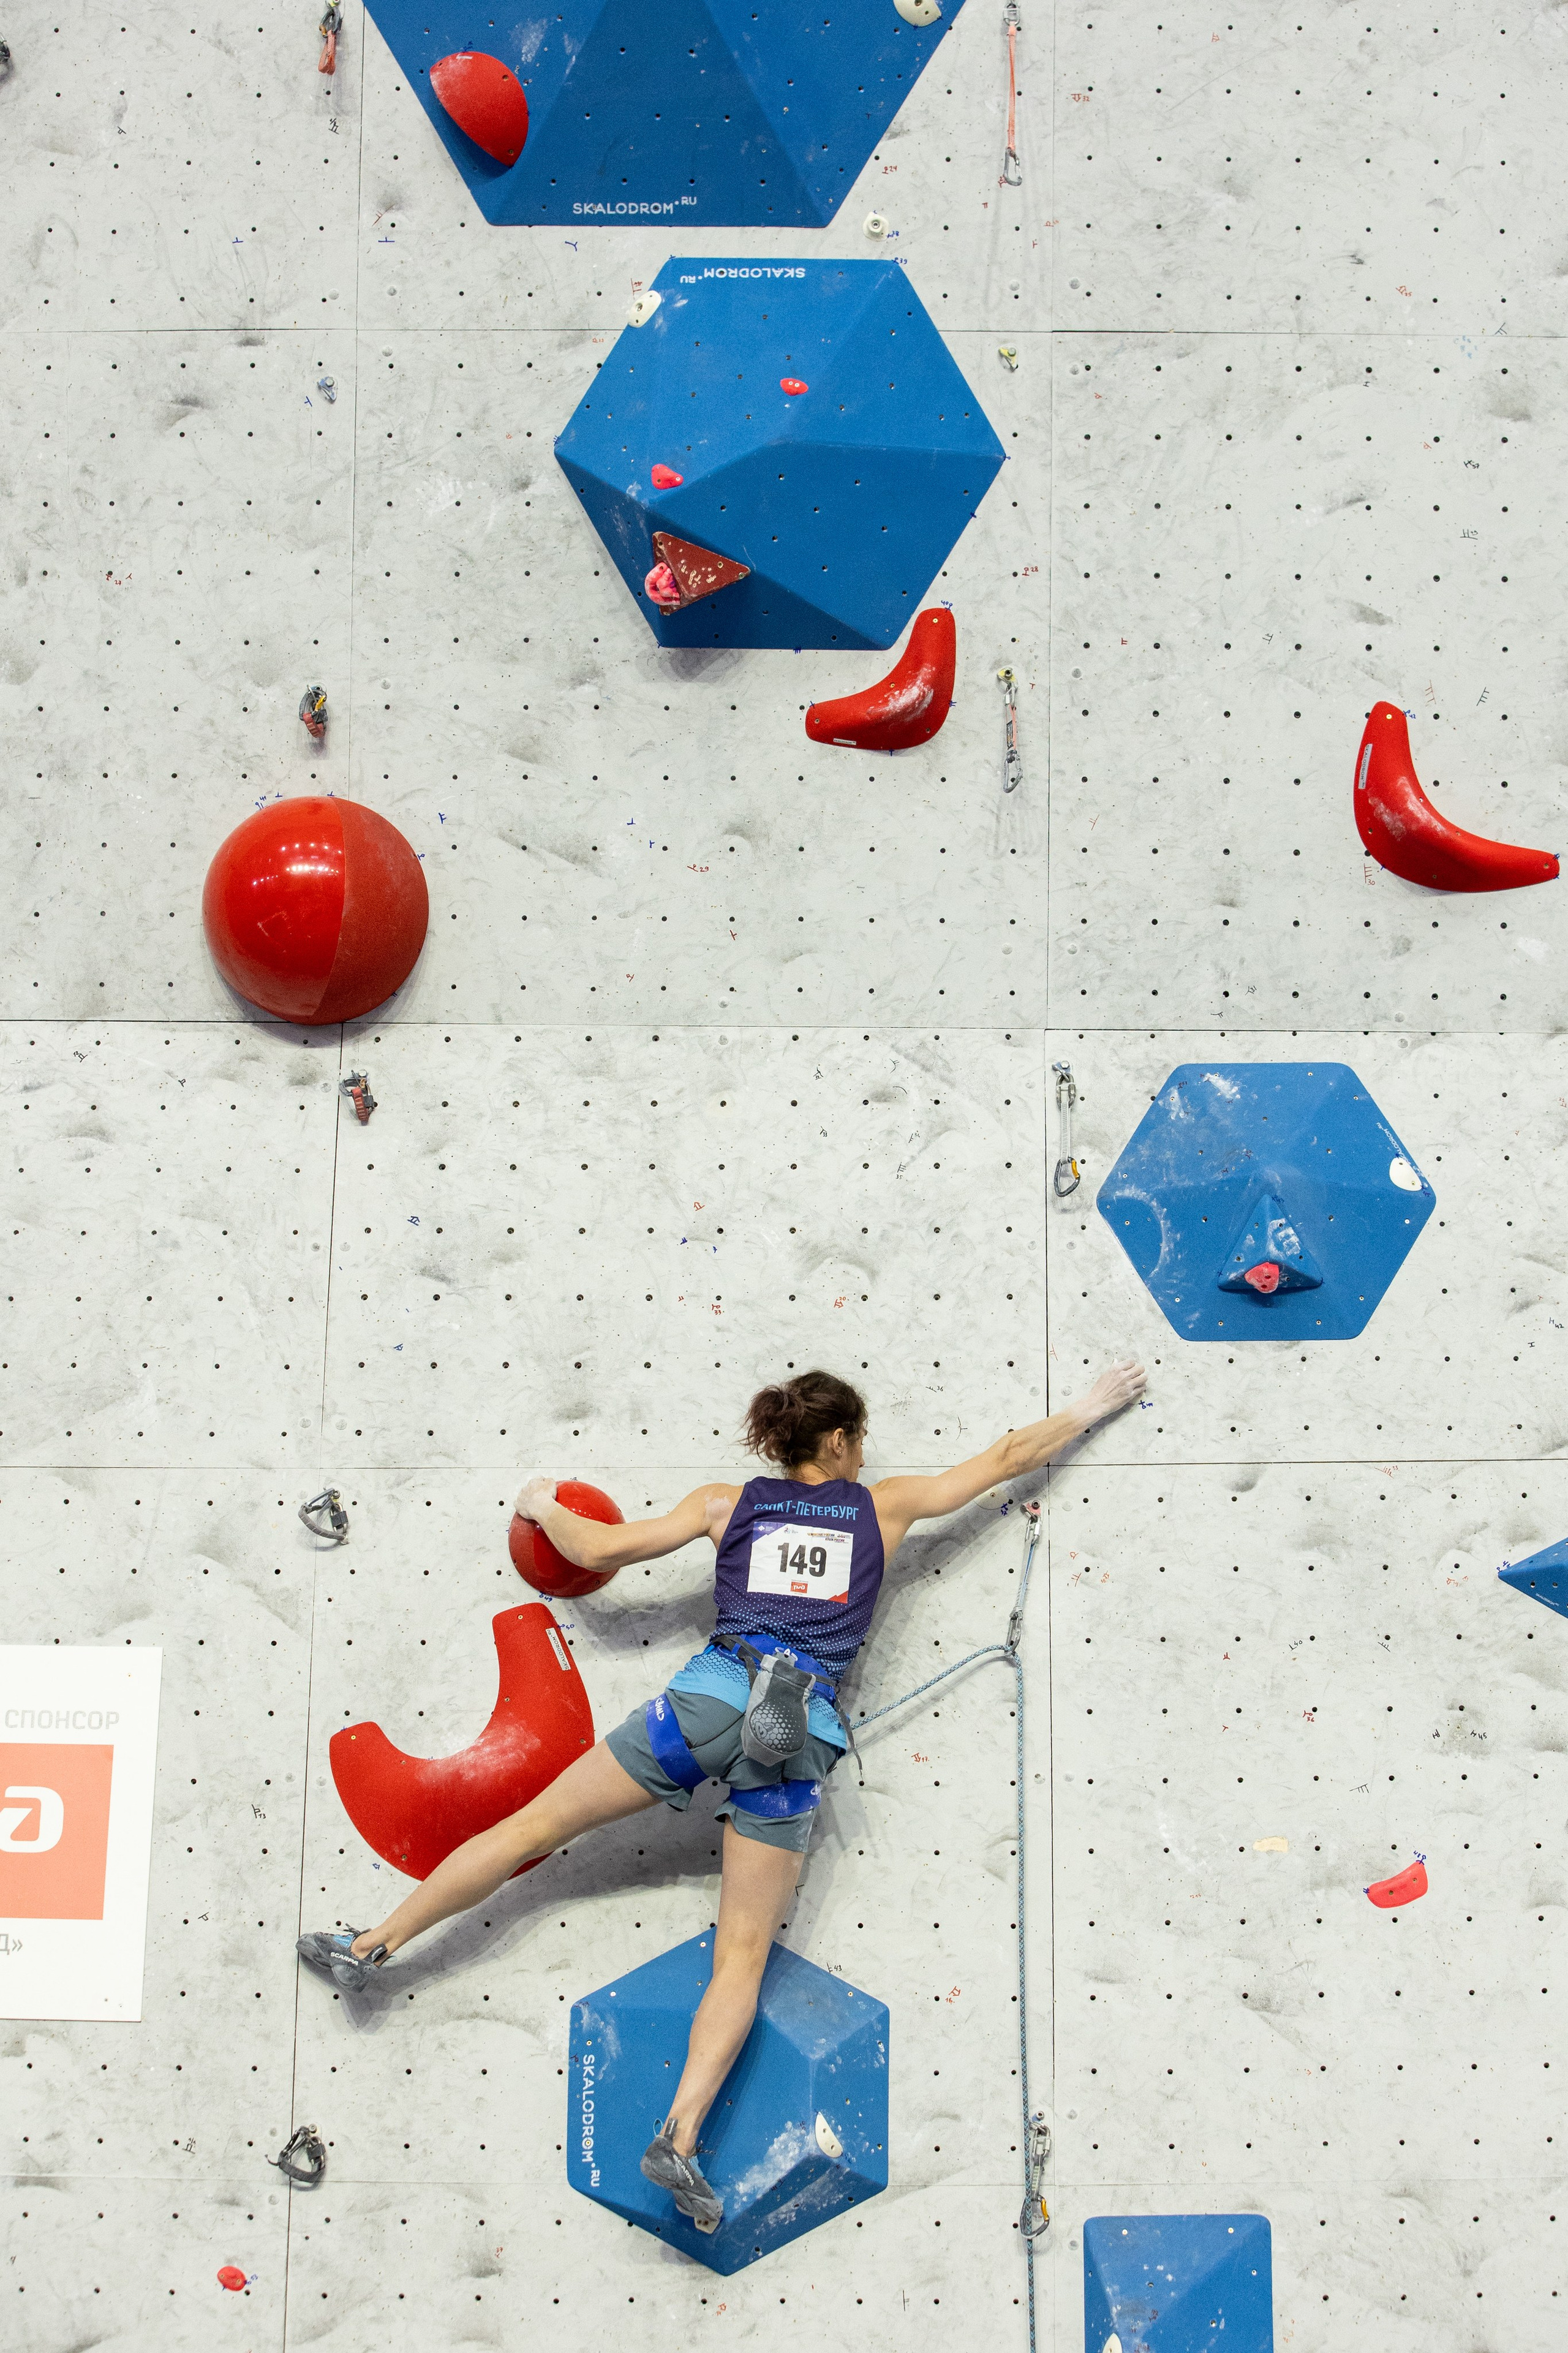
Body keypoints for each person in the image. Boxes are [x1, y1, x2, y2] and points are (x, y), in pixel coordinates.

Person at [297, 1358, 1145, 2230]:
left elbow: (596, 1550)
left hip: (707, 1698)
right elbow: (1008, 1456)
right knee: (739, 1955)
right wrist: (1090, 1404)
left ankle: (372, 1943)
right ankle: (679, 2134)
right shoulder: (880, 1507)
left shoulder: (726, 1504)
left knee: (529, 1828)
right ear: (844, 1439)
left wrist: (541, 1499)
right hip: (795, 1721)